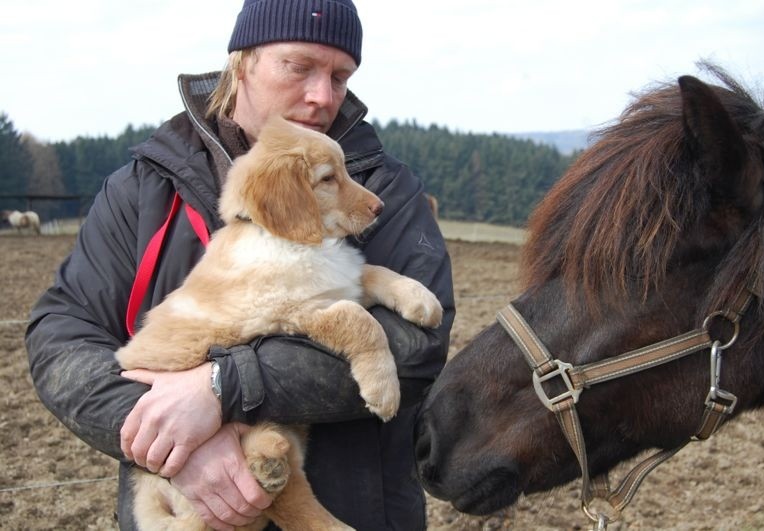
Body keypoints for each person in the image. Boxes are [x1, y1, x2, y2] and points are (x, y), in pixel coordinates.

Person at [25, 1, 455, 529]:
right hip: (178, 504)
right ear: (242, 62)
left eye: (340, 76)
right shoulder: (142, 189)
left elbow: (417, 348)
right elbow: (62, 335)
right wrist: (172, 445)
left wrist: (226, 387)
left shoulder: (387, 192)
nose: (323, 96)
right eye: (299, 66)